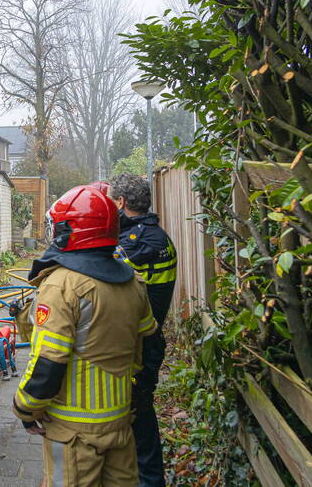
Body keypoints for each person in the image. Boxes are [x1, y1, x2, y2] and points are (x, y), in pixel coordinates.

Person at [13, 185, 156, 486]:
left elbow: (49, 362)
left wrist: (25, 408)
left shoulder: (61, 286)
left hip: (73, 433)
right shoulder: (133, 282)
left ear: (69, 231)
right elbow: (148, 345)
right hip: (120, 423)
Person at [109, 173, 177, 487]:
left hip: (141, 344)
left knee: (139, 414)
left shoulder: (138, 243)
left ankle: (149, 480)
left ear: (121, 202)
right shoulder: (155, 235)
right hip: (147, 337)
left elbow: (109, 278)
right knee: (137, 409)